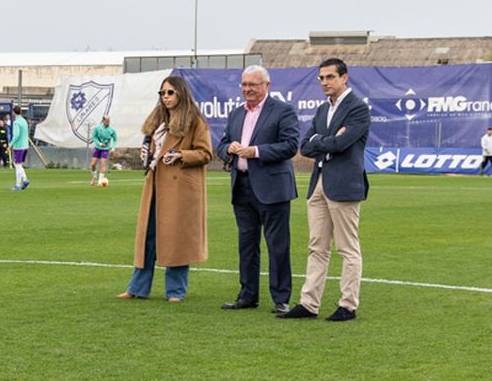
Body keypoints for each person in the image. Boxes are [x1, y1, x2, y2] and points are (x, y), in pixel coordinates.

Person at [279, 58, 370, 322]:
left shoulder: (358, 109)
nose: (324, 83)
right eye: (321, 78)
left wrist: (323, 141)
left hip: (344, 185)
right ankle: (309, 303)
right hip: (319, 182)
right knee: (316, 246)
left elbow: (342, 144)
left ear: (344, 78)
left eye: (330, 77)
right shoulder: (322, 110)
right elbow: (305, 146)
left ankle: (348, 305)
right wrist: (324, 140)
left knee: (347, 248)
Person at [118, 76, 212, 302]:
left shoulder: (195, 121)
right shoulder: (157, 122)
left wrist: (182, 155)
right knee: (147, 237)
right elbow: (154, 152)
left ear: (181, 93)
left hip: (181, 190)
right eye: (162, 93)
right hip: (156, 185)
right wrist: (147, 155)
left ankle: (175, 291)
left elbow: (205, 153)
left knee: (176, 239)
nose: (166, 97)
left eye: (170, 93)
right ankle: (137, 287)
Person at [217, 65, 300, 313]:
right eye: (244, 85)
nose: (247, 89)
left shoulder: (282, 111)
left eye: (252, 84)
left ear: (267, 85)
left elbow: (290, 145)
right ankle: (248, 295)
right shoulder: (235, 114)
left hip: (272, 186)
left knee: (277, 244)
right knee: (247, 244)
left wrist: (256, 152)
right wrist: (228, 149)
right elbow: (221, 144)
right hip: (241, 184)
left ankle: (281, 298)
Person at [9, 105, 31, 190]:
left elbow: (16, 135)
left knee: (17, 165)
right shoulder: (24, 121)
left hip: (19, 146)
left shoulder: (16, 122)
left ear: (14, 113)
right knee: (19, 164)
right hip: (25, 145)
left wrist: (10, 144)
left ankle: (18, 184)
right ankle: (24, 180)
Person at [89, 115, 117, 184]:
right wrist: (99, 143)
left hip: (105, 149)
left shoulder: (112, 130)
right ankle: (94, 177)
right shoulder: (97, 128)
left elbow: (115, 139)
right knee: (93, 164)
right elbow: (94, 137)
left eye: (108, 121)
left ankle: (100, 180)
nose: (108, 122)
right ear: (103, 120)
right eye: (106, 121)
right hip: (97, 148)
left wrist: (113, 148)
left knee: (103, 163)